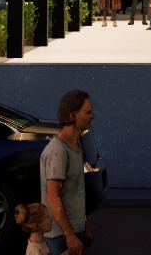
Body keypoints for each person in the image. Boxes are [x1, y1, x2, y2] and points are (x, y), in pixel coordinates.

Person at [41, 90, 96, 255]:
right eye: (87, 112)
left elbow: (74, 192)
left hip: (73, 231)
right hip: (60, 236)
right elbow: (52, 197)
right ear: (73, 115)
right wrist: (70, 235)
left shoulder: (75, 146)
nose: (92, 116)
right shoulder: (58, 151)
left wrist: (84, 226)